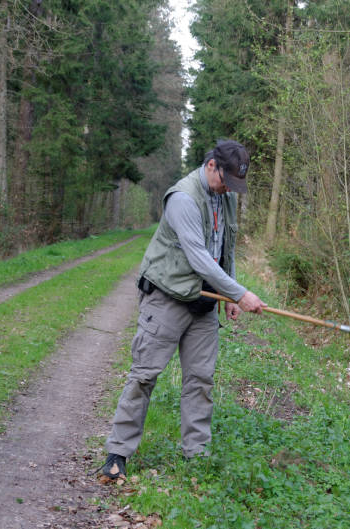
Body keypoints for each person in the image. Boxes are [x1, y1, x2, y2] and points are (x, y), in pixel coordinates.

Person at [101, 139, 267, 479]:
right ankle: (118, 454)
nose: (228, 189)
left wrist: (229, 295)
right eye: (226, 180)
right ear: (211, 166)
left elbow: (226, 249)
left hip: (204, 302)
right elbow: (199, 258)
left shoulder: (226, 197)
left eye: (235, 184)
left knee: (201, 380)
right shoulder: (182, 199)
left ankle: (197, 456)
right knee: (144, 377)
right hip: (167, 297)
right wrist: (239, 294)